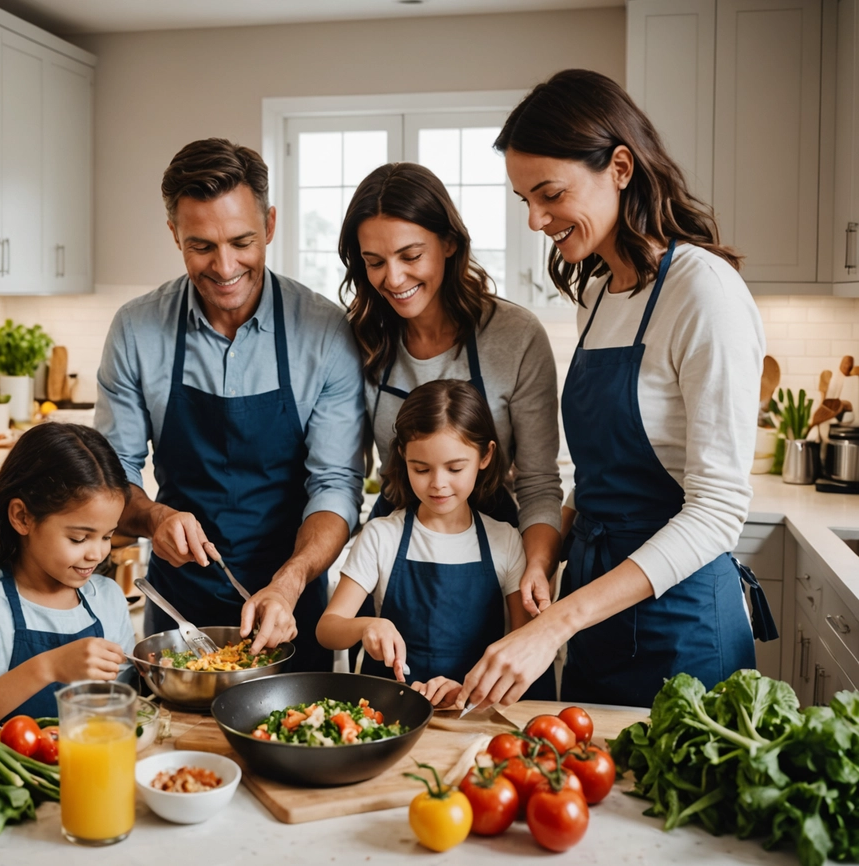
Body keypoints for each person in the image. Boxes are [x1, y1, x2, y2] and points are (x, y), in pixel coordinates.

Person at [454, 69, 777, 711]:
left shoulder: (704, 292)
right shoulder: (598, 296)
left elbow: (716, 512)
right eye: (524, 200)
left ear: (620, 166)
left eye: (549, 194)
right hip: (597, 613)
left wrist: (556, 624)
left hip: (684, 627)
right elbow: (605, 474)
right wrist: (548, 555)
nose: (536, 219)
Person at [96, 138, 365, 672]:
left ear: (268, 224)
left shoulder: (323, 331)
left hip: (292, 602)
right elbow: (108, 478)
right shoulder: (136, 329)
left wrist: (288, 583)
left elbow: (335, 483)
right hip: (179, 616)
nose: (224, 268)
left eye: (242, 241)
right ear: (174, 233)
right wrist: (153, 517)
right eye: (201, 246)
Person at [339, 162, 563, 618]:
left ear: (449, 243)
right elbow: (342, 475)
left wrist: (535, 568)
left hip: (498, 559)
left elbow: (540, 483)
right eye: (374, 262)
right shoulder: (358, 339)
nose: (393, 279)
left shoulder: (515, 335)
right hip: (398, 550)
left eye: (410, 255)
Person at [317, 380, 535, 706]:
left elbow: (524, 647)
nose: (438, 484)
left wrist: (467, 692)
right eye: (421, 469)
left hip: (474, 713)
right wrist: (367, 626)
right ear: (404, 455)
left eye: (455, 468)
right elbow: (327, 629)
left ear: (485, 455)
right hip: (387, 715)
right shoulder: (381, 536)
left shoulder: (504, 540)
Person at [0, 423, 137, 733]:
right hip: (6, 777)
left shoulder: (107, 599)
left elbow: (125, 701)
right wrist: (48, 667)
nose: (96, 553)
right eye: (79, 538)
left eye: (107, 536)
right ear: (22, 517)